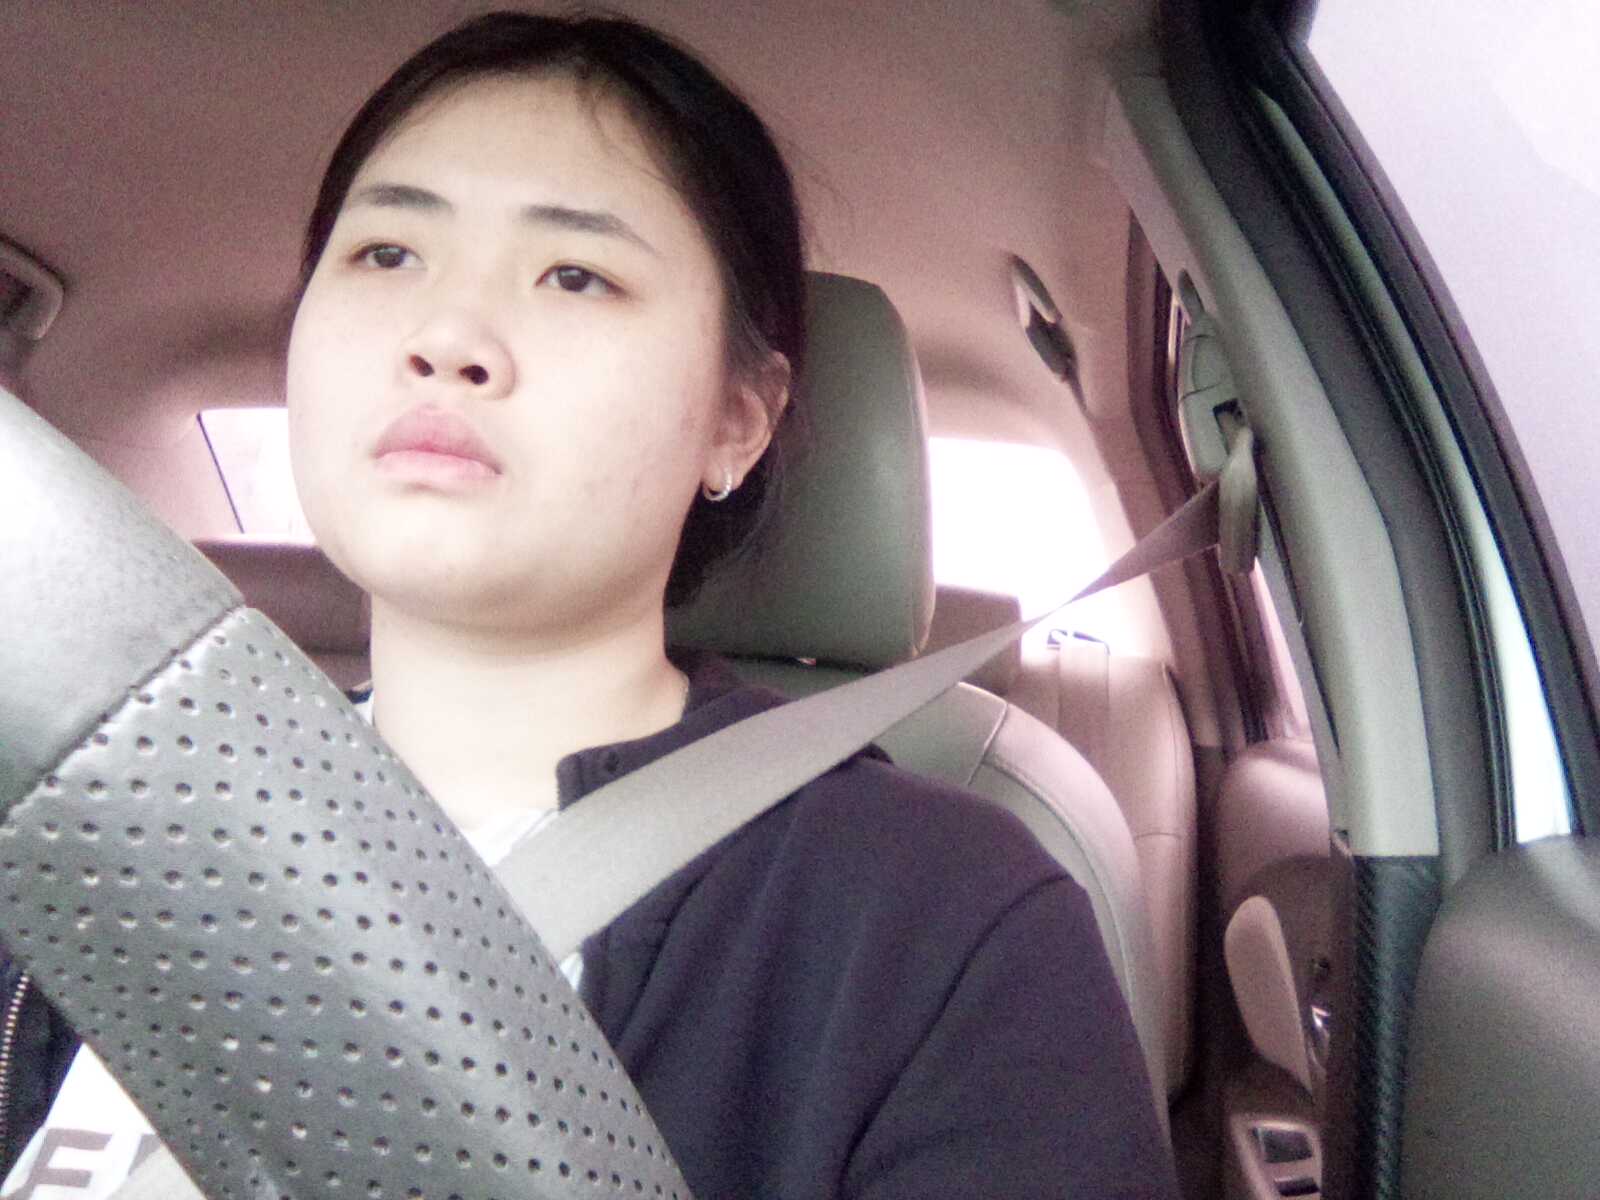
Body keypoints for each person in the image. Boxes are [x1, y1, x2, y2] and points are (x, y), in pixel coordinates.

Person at [2, 12, 1178, 1199]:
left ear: (738, 420)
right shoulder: (101, 824)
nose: (446, 337)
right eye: (387, 254)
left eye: (576, 274)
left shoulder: (942, 919)